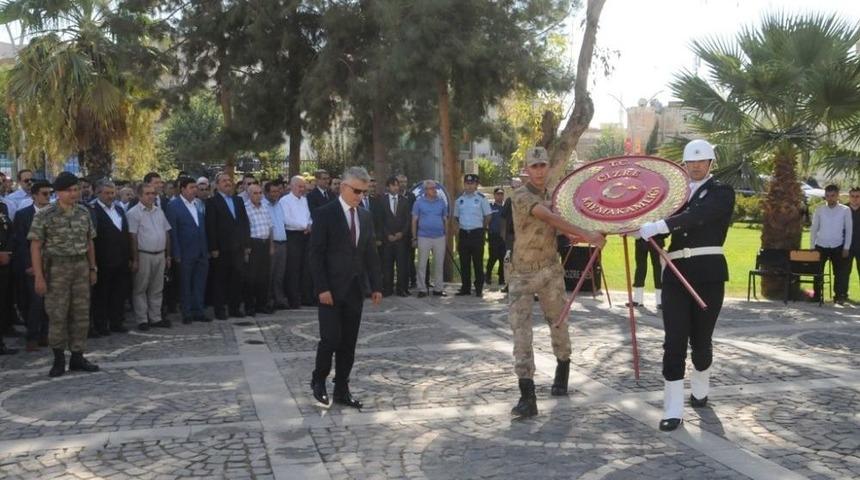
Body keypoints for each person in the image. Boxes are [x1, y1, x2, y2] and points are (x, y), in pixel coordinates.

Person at [639, 139, 735, 431]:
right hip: (676, 275)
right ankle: (673, 409)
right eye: (690, 162)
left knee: (701, 342)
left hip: (708, 273)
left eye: (700, 161)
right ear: (684, 164)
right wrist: (645, 230)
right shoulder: (674, 195)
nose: (695, 166)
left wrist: (661, 225)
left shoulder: (722, 192)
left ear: (710, 163)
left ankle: (701, 390)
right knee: (674, 341)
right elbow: (663, 233)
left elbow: (699, 216)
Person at [507, 147, 605, 418]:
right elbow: (549, 217)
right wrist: (587, 233)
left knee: (559, 323)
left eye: (543, 165)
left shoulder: (553, 196)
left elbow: (558, 227)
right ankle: (527, 396)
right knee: (521, 332)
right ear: (527, 169)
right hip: (522, 274)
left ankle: (562, 372)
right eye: (534, 166)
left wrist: (579, 236)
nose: (539, 170)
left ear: (549, 168)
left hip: (550, 270)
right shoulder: (520, 196)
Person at [309, 166, 383, 409]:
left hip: (354, 289)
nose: (360, 196)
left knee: (348, 344)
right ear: (343, 187)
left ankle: (342, 389)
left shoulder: (365, 216)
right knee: (330, 339)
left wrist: (376, 285)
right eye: (356, 191)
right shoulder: (325, 214)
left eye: (364, 192)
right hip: (330, 289)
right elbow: (316, 254)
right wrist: (322, 288)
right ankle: (318, 380)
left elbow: (370, 253)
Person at [28, 172, 100, 377]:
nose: (74, 193)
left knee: (81, 314)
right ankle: (58, 358)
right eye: (69, 190)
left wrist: (93, 268)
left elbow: (89, 242)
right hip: (56, 268)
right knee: (58, 314)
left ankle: (78, 356)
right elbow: (35, 246)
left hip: (80, 267)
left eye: (76, 189)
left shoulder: (83, 213)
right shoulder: (45, 214)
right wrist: (39, 277)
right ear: (58, 192)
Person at [11, 180, 52, 351]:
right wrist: (28, 265)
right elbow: (20, 243)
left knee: (50, 303)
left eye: (50, 194)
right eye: (44, 194)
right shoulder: (23, 215)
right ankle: (33, 336)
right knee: (35, 303)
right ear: (34, 195)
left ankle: (46, 334)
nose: (48, 197)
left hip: (53, 265)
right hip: (32, 266)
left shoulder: (55, 213)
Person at [205, 172, 251, 319]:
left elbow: (244, 223)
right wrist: (213, 248)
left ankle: (235, 308)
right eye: (224, 181)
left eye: (229, 180)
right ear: (217, 185)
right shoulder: (212, 202)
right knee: (220, 280)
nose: (227, 183)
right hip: (221, 249)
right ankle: (220, 310)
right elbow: (211, 226)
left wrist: (246, 244)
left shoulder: (238, 201)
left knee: (236, 279)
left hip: (238, 248)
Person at [127, 183, 173, 331]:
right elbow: (132, 237)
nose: (151, 196)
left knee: (157, 288)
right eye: (147, 193)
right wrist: (135, 259)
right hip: (143, 254)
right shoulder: (133, 213)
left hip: (159, 254)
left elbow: (166, 232)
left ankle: (155, 317)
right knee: (140, 288)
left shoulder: (159, 211)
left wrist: (168, 255)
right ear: (140, 196)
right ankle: (142, 319)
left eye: (153, 193)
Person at [166, 177, 211, 324]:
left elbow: (202, 228)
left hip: (201, 251)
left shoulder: (199, 204)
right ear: (182, 189)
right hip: (185, 252)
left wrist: (207, 249)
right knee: (185, 283)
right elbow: (173, 231)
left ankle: (198, 310)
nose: (195, 190)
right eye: (191, 187)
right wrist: (176, 253)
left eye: (195, 187)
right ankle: (187, 312)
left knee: (200, 283)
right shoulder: (173, 205)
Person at [90, 180, 131, 335]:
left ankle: (116, 322)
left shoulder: (119, 210)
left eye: (112, 193)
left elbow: (125, 233)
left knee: (119, 293)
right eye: (106, 193)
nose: (110, 196)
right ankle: (101, 324)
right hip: (103, 260)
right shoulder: (92, 210)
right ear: (98, 193)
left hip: (121, 259)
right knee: (102, 294)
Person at [810, 184, 852, 304]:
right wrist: (812, 247)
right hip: (820, 245)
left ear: (837, 195)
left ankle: (839, 296)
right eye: (827, 196)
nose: (830, 198)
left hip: (838, 246)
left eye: (833, 195)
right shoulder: (819, 210)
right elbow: (814, 229)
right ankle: (817, 296)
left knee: (839, 273)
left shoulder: (845, 210)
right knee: (817, 272)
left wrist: (846, 247)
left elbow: (849, 230)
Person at [454, 174, 492, 297]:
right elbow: (456, 217)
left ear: (476, 185)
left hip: (477, 233)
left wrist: (481, 227)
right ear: (464, 184)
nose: (469, 186)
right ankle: (465, 287)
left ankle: (479, 288)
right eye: (467, 183)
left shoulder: (482, 199)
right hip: (464, 234)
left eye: (472, 184)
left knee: (478, 262)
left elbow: (488, 216)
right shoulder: (459, 200)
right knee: (464, 262)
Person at [280, 175, 313, 308]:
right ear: (292, 186)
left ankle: (306, 297)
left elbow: (309, 216)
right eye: (299, 186)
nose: (302, 189)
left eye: (303, 186)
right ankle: (293, 299)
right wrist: (303, 226)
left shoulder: (305, 200)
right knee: (293, 268)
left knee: (306, 267)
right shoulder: (285, 201)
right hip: (293, 235)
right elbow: (286, 220)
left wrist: (310, 225)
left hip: (306, 235)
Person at [411, 180, 448, 297]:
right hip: (423, 237)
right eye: (431, 188)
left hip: (439, 237)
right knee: (422, 264)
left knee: (439, 263)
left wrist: (445, 234)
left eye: (435, 188)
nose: (434, 190)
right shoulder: (418, 203)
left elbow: (445, 219)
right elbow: (414, 221)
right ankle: (422, 289)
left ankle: (438, 289)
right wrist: (414, 237)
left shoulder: (441, 202)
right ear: (426, 190)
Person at [376, 176, 411, 297]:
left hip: (401, 239)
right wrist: (387, 234)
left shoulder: (405, 200)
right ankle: (387, 289)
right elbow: (380, 220)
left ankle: (401, 289)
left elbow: (408, 220)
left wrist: (402, 233)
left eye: (397, 185)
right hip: (387, 240)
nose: (396, 187)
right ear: (388, 187)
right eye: (393, 185)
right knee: (387, 265)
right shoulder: (381, 200)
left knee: (401, 265)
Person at [243, 183, 273, 316]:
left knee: (264, 277)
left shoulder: (265, 207)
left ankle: (262, 304)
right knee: (251, 277)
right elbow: (244, 230)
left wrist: (271, 246)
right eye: (255, 193)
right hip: (253, 245)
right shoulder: (245, 208)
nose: (259, 195)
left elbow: (270, 227)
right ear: (249, 195)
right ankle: (250, 306)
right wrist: (246, 247)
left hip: (265, 243)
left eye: (260, 193)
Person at [265, 180, 289, 310]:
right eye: (273, 192)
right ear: (267, 193)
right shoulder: (264, 206)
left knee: (280, 274)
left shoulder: (280, 205)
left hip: (283, 243)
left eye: (277, 191)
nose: (276, 194)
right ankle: (268, 300)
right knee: (270, 273)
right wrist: (270, 245)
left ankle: (279, 299)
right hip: (272, 243)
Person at [628, 235, 665, 309]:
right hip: (641, 240)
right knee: (640, 268)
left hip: (656, 238)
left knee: (658, 268)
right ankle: (638, 299)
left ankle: (660, 301)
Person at [0, 193, 16, 355]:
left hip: (5, 261)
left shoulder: (3, 207)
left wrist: (7, 251)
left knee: (3, 302)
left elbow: (10, 231)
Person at [397, 174, 418, 289]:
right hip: (396, 233)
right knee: (400, 259)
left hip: (409, 232)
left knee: (410, 259)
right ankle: (401, 281)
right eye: (400, 182)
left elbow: (413, 216)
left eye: (405, 182)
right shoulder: (391, 196)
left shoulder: (411, 196)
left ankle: (413, 280)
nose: (403, 184)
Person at [485, 187, 506, 286]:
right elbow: (486, 219)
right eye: (498, 194)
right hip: (493, 235)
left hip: (503, 237)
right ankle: (488, 276)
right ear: (494, 195)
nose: (500, 196)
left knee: (503, 258)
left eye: (501, 194)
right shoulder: (490, 207)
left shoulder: (506, 207)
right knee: (493, 257)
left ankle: (501, 278)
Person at [844, 187, 860, 300]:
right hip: (846, 247)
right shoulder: (843, 209)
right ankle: (842, 295)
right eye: (852, 196)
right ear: (849, 197)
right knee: (844, 272)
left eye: (857, 196)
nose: (855, 199)